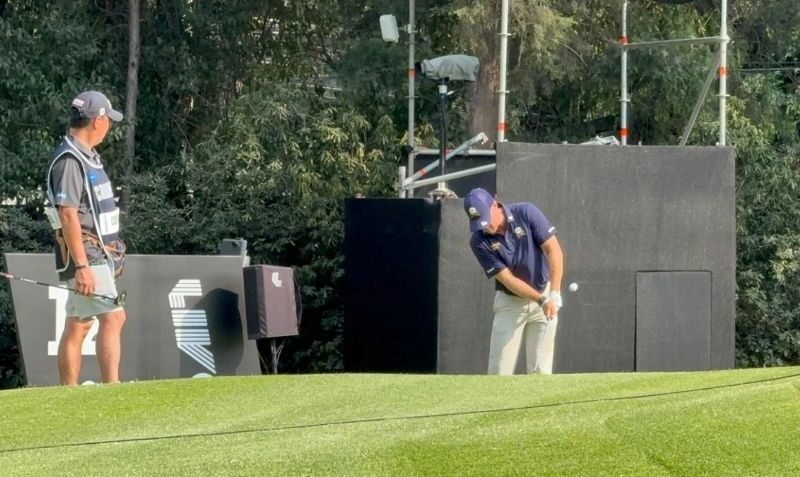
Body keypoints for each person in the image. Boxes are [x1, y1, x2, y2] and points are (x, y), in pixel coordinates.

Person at [44, 91, 127, 385]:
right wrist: (82, 267)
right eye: (108, 120)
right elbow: (67, 215)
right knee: (114, 317)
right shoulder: (70, 160)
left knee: (78, 324)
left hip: (95, 254)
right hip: (85, 256)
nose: (110, 126)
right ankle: (112, 388)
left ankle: (67, 393)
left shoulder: (87, 156)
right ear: (97, 120)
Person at [464, 187, 564, 375]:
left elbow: (553, 250)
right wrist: (541, 300)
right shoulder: (478, 241)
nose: (484, 226)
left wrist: (554, 293)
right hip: (510, 303)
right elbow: (508, 279)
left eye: (485, 219)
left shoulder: (526, 212)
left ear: (495, 204)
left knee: (540, 372)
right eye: (478, 222)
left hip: (545, 294)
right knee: (499, 372)